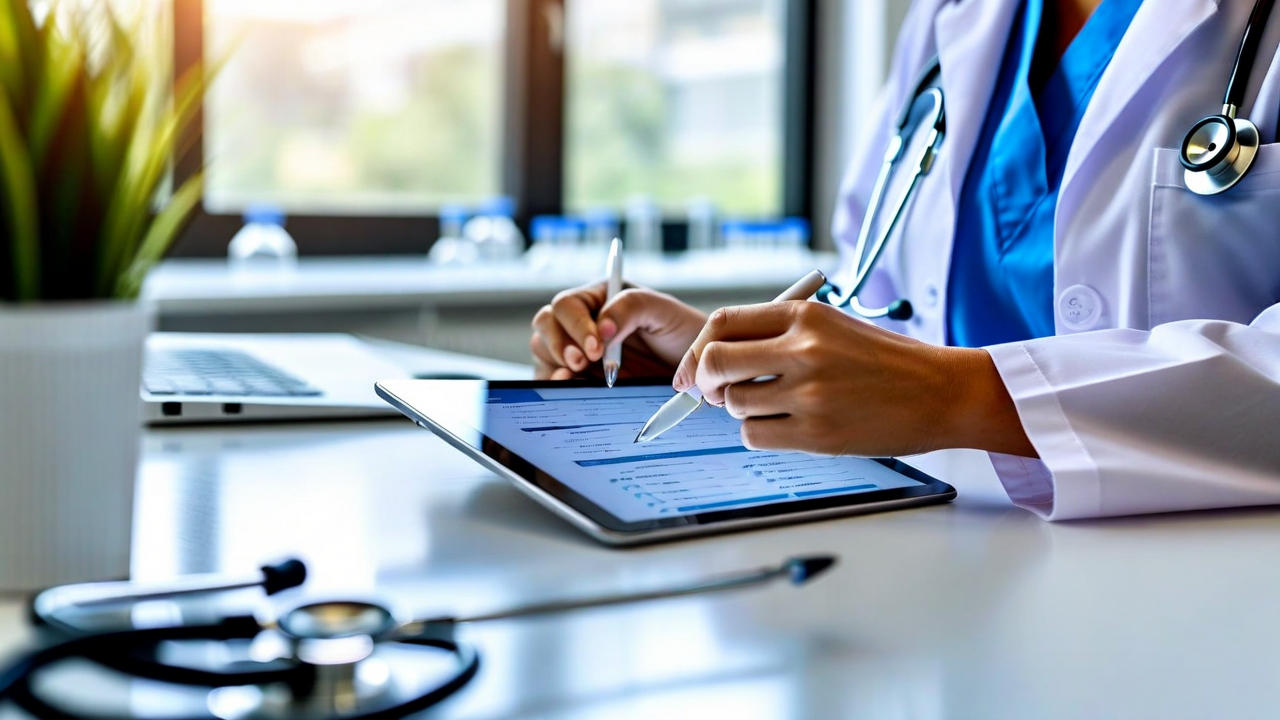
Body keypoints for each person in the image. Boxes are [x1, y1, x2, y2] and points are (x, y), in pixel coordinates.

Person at [530, 0, 1280, 520]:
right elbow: (883, 300)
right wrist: (748, 366)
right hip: (958, 552)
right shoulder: (956, 16)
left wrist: (961, 398)